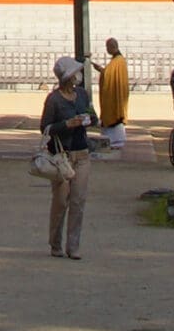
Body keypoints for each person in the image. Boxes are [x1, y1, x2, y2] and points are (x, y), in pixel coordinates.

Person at [39, 56, 95, 258]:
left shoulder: (82, 95)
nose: (76, 78)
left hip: (82, 153)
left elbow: (94, 117)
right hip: (61, 156)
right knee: (61, 200)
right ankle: (55, 242)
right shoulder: (54, 99)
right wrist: (66, 125)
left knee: (78, 200)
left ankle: (74, 246)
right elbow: (45, 127)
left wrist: (86, 120)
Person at [95, 38, 130, 157]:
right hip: (113, 94)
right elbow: (108, 73)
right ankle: (113, 139)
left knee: (114, 115)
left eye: (107, 47)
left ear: (112, 46)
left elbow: (108, 74)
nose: (107, 49)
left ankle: (116, 140)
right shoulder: (117, 60)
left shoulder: (118, 61)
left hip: (115, 96)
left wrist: (101, 70)